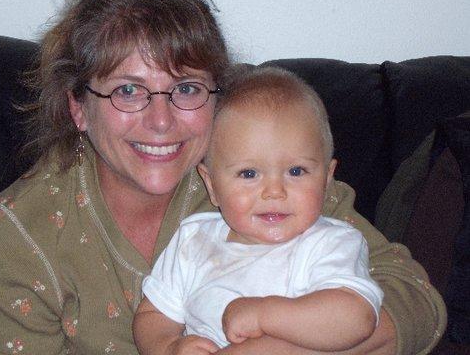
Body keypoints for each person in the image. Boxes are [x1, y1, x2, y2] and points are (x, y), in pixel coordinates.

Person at [0, 0, 445, 355]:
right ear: (78, 107)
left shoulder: (261, 176)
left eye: (186, 88)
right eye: (127, 90)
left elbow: (419, 302)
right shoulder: (21, 241)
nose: (161, 121)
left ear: (217, 95)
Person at [133, 66, 384, 354]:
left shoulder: (331, 244)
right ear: (212, 185)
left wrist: (264, 314)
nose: (274, 192)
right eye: (249, 174)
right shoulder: (193, 240)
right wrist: (169, 347)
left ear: (326, 179)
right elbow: (153, 314)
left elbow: (356, 319)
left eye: (296, 171)